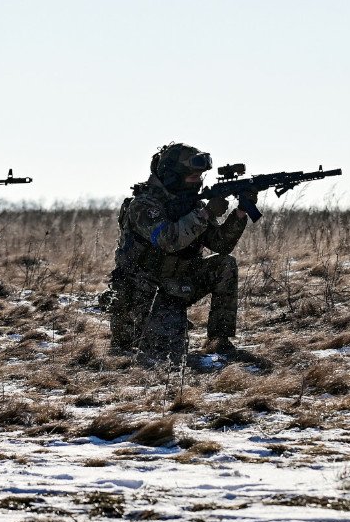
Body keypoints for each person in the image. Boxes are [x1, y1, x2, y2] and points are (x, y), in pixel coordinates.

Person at [107, 142, 258, 362]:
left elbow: (221, 244)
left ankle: (220, 340)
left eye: (200, 177)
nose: (198, 182)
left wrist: (241, 212)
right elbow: (169, 240)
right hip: (142, 295)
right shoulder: (143, 205)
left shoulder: (192, 206)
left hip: (176, 286)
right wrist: (206, 213)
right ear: (172, 176)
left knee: (225, 264)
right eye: (192, 177)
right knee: (159, 358)